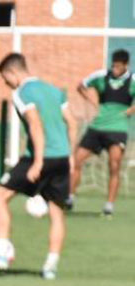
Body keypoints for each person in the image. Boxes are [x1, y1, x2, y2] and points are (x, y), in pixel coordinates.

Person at [0, 53, 76, 280]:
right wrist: (70, 155)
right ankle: (50, 266)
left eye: (5, 78)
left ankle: (0, 251)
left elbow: (35, 125)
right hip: (61, 157)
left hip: (39, 157)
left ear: (12, 73)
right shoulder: (55, 90)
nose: (5, 83)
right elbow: (73, 122)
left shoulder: (21, 93)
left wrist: (38, 161)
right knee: (57, 214)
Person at [67, 49, 134, 217]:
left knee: (114, 165)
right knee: (76, 160)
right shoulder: (101, 76)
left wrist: (130, 111)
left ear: (126, 65)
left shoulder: (132, 80)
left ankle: (109, 206)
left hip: (118, 129)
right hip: (97, 127)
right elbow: (80, 86)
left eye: (119, 66)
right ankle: (69, 198)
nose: (115, 69)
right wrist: (92, 102)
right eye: (113, 66)